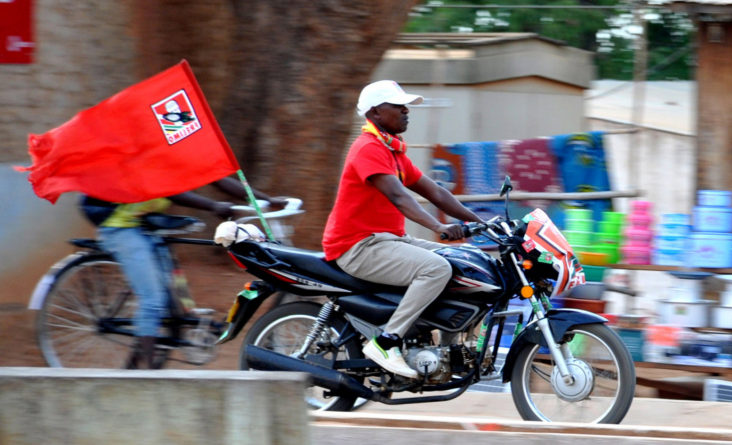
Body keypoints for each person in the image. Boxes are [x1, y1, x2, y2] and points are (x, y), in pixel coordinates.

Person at [322, 80, 485, 378]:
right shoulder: (367, 149)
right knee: (435, 269)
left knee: (467, 262)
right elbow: (398, 196)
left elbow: (435, 192)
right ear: (375, 113)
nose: (406, 110)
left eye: (405, 105)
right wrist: (439, 227)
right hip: (357, 246)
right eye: (398, 106)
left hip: (388, 240)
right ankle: (386, 341)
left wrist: (481, 222)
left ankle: (450, 346)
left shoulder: (393, 152)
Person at [81, 176, 286, 369]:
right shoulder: (150, 151)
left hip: (143, 220)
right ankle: (141, 376)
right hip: (119, 226)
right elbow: (167, 189)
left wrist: (266, 200)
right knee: (153, 300)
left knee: (166, 300)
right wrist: (213, 206)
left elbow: (217, 178)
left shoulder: (179, 149)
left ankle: (137, 360)